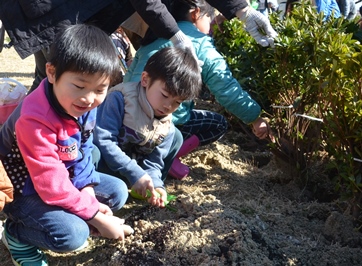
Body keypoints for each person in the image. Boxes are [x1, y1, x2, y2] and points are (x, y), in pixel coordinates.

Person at [0, 24, 131, 266]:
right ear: (51, 72)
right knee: (73, 235)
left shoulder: (81, 104)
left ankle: (69, 212)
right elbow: (50, 185)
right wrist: (94, 216)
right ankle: (15, 233)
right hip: (22, 188)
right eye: (80, 86)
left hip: (60, 176)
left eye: (100, 89)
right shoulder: (34, 119)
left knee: (117, 192)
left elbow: (84, 148)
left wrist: (87, 190)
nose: (89, 98)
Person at [124, 0, 275, 180]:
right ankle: (167, 155)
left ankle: (150, 154)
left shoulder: (154, 36)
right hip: (163, 126)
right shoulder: (199, 42)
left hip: (129, 118)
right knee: (218, 124)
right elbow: (226, 87)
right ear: (196, 13)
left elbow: (129, 78)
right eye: (209, 19)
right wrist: (255, 118)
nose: (211, 25)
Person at [0, 0, 278, 92]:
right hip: (61, 9)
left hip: (87, 13)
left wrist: (242, 10)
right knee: (61, 83)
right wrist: (176, 36)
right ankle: (27, 157)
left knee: (55, 83)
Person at [94, 47, 202, 207]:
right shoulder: (120, 100)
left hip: (133, 173)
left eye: (177, 102)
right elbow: (104, 141)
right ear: (145, 79)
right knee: (92, 152)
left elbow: (154, 162)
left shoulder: (167, 127)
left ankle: (147, 191)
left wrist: (156, 184)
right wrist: (135, 173)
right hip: (104, 164)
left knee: (176, 137)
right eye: (164, 95)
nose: (168, 105)